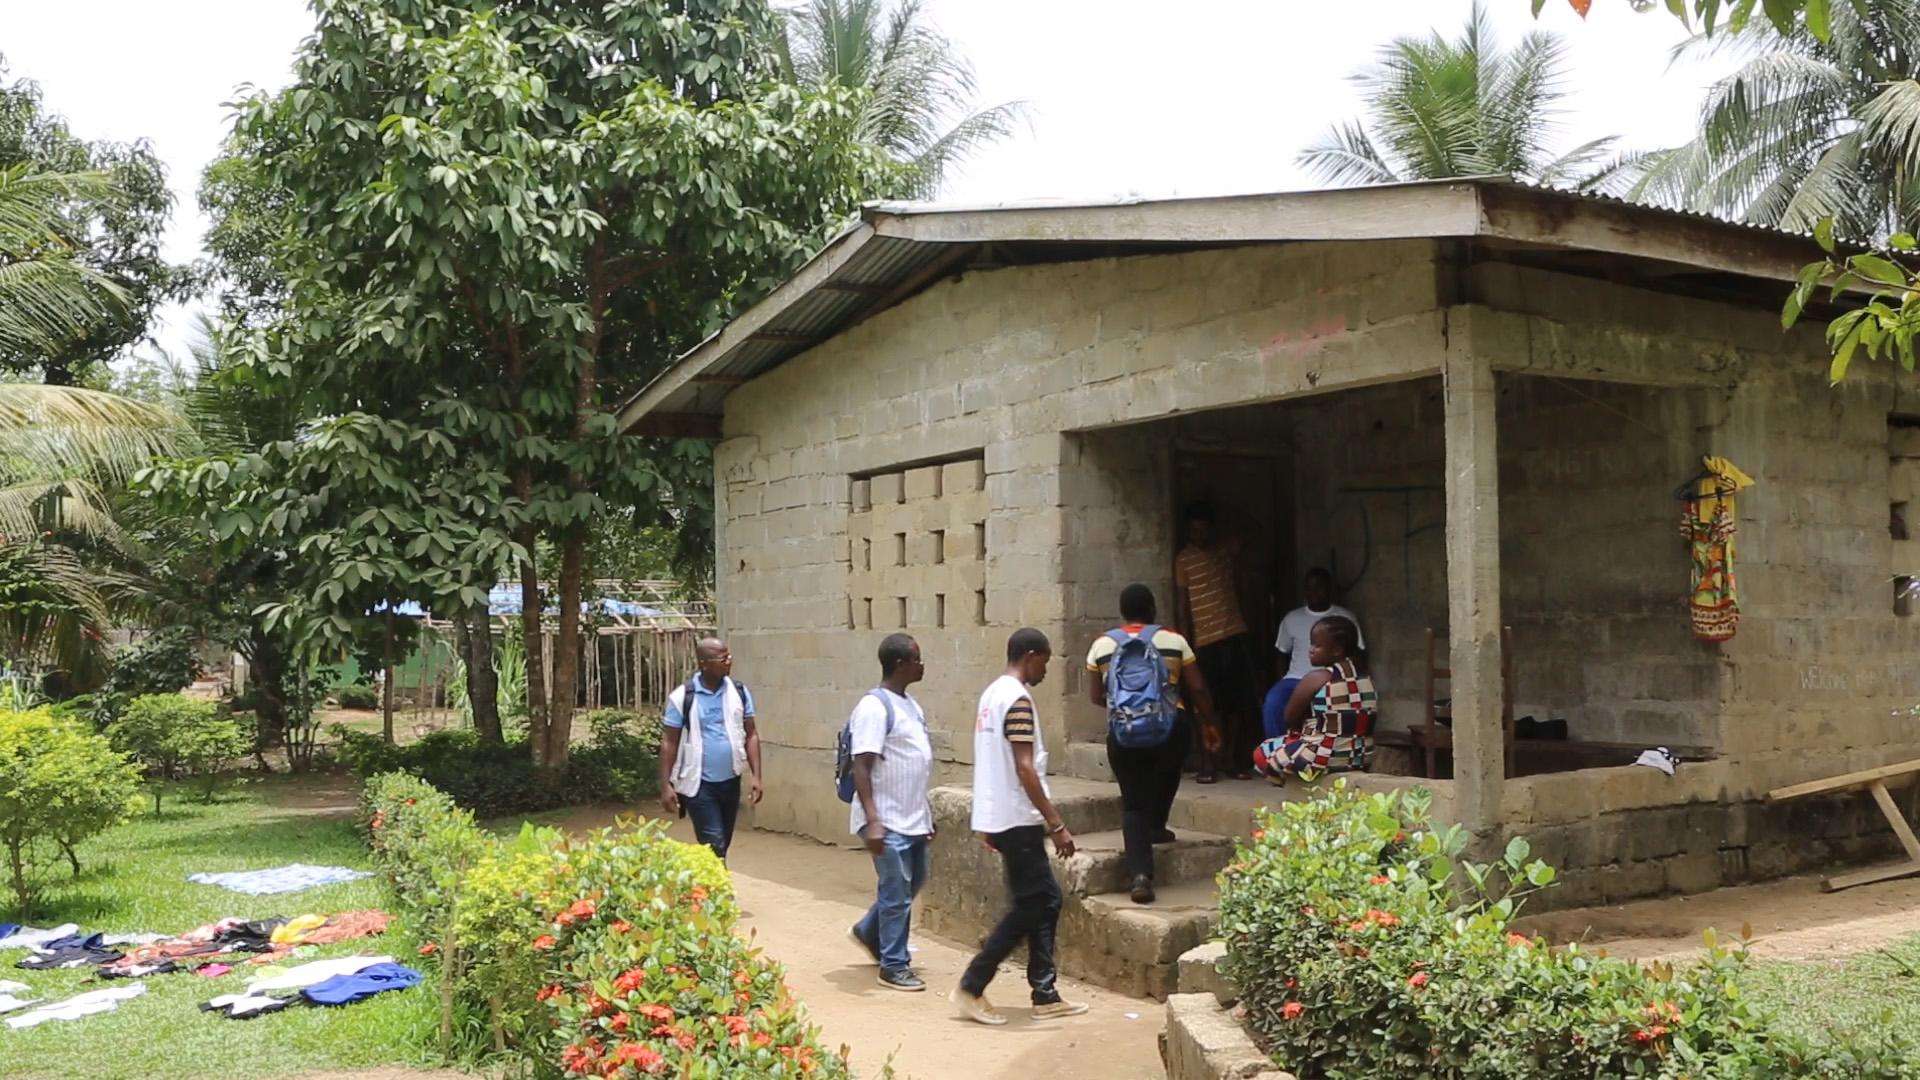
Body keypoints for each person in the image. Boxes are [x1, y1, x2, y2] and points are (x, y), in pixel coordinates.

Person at [952, 628, 1089, 1026]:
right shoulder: (1017, 700)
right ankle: (972, 985)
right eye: (1045, 661)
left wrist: (987, 821)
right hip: (1017, 818)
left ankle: (1044, 993)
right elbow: (1024, 768)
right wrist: (1056, 822)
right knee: (1032, 905)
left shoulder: (992, 695)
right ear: (1030, 655)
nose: (1046, 670)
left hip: (1003, 817)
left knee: (1044, 901)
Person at [1087, 583, 1218, 905]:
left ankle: (1140, 875)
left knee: (1132, 804)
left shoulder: (1102, 646)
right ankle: (1157, 825)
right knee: (1168, 772)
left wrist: (1131, 714)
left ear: (1123, 611)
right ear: (1152, 609)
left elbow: (1095, 696)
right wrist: (1211, 723)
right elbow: (1198, 688)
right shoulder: (1174, 641)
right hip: (1171, 727)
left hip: (1123, 733)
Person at [846, 633, 936, 993]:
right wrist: (873, 820)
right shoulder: (873, 707)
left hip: (912, 815)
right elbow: (861, 766)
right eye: (917, 659)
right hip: (885, 818)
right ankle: (894, 965)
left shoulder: (911, 705)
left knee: (913, 882)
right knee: (896, 891)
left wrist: (926, 814)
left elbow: (914, 763)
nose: (922, 665)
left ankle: (870, 931)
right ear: (900, 664)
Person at [1173, 501, 1258, 782]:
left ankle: (1232, 760)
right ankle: (1208, 762)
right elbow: (1183, 605)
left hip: (1233, 634)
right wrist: (1187, 644)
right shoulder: (1183, 560)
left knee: (1236, 704)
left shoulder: (1224, 551)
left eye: (1203, 529)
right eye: (1194, 530)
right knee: (1205, 706)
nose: (1199, 534)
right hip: (1204, 642)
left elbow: (1247, 533)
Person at [658, 636, 763, 860]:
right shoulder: (682, 697)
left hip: (730, 781)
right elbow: (669, 741)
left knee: (722, 842)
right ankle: (721, 893)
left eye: (729, 656)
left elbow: (751, 733)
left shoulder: (739, 692)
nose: (729, 661)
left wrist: (756, 776)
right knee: (713, 843)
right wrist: (666, 784)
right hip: (699, 785)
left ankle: (708, 890)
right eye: (722, 658)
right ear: (704, 663)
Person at [1252, 615, 1376, 785]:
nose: (1310, 649)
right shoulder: (1365, 678)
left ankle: (1291, 789)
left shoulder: (1317, 678)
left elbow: (1289, 717)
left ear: (1337, 650)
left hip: (1322, 758)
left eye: (1317, 645)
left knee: (1263, 751)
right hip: (1361, 755)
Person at [1263, 568, 1367, 741]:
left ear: (1329, 589)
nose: (1314, 592)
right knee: (1273, 702)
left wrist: (1350, 678)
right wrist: (1282, 678)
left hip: (1334, 678)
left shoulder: (1344, 617)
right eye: (1309, 588)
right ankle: (1277, 746)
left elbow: (1359, 653)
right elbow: (1281, 653)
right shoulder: (1292, 618)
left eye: (1319, 587)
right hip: (1295, 679)